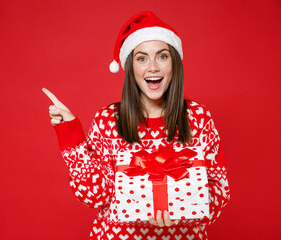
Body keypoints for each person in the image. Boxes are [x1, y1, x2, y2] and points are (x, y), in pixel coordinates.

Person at [43, 11, 230, 240]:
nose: (153, 67)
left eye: (162, 56)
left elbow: (219, 190)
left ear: (175, 63)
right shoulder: (108, 120)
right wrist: (71, 135)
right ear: (130, 67)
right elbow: (96, 195)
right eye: (142, 58)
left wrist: (184, 209)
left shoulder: (198, 118)